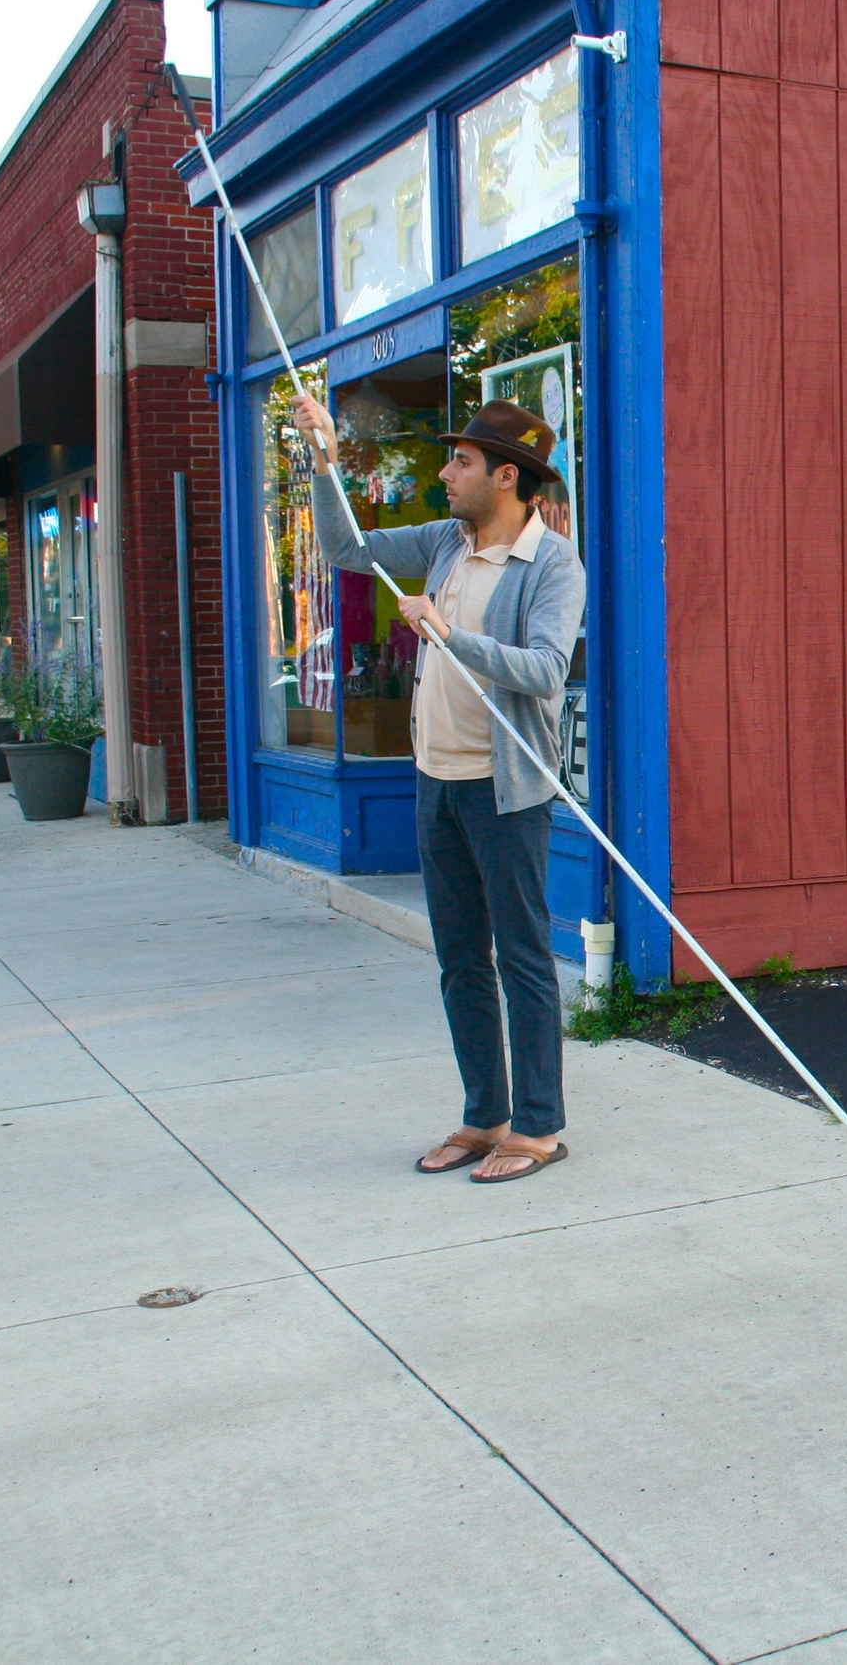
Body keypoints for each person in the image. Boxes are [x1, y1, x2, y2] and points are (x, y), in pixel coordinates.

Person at [292, 393, 586, 1183]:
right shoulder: (447, 543)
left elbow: (547, 670)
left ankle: (539, 1126)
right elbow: (346, 547)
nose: (444, 472)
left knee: (522, 955)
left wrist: (450, 635)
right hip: (436, 782)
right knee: (460, 958)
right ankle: (485, 1114)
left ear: (507, 475)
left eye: (460, 461)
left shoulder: (551, 563)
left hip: (504, 788)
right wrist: (322, 457)